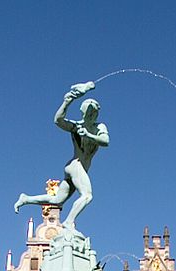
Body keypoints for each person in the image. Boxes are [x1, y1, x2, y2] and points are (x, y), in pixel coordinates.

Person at [14, 82, 109, 229]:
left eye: (92, 113)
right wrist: (68, 100)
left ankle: (26, 199)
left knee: (57, 200)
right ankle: (69, 222)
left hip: (78, 168)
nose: (90, 115)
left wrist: (89, 135)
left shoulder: (99, 127)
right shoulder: (76, 127)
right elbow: (57, 120)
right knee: (87, 195)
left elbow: (105, 141)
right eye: (88, 113)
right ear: (83, 113)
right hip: (75, 165)